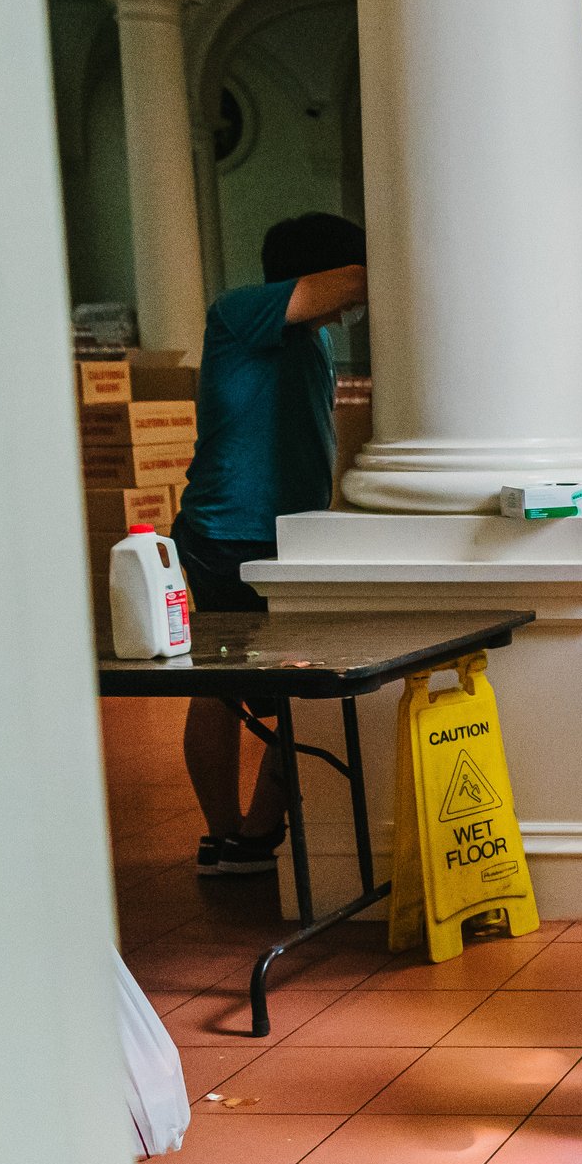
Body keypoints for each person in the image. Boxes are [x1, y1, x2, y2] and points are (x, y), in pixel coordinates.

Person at [173, 213, 370, 874]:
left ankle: (251, 837)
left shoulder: (311, 342)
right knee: (229, 688)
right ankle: (230, 834)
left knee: (290, 689)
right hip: (226, 534)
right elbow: (340, 285)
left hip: (288, 540)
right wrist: (406, 259)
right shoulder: (241, 313)